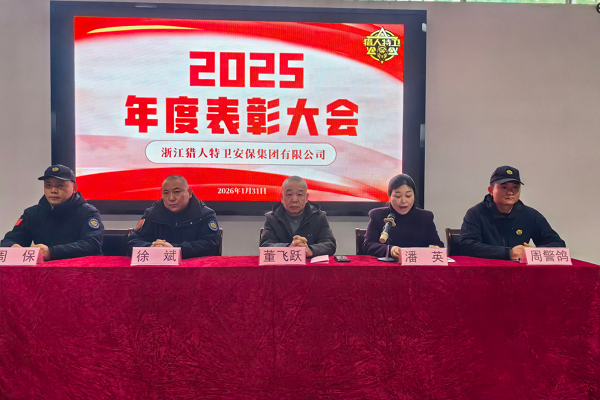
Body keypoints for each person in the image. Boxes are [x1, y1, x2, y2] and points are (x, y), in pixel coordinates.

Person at [460, 165, 565, 260]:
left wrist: (535, 251)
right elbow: (466, 246)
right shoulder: (476, 213)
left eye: (515, 187)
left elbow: (558, 244)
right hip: (486, 270)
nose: (510, 192)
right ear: (490, 190)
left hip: (520, 271)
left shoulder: (530, 215)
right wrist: (508, 253)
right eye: (504, 187)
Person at [1, 164, 104, 260]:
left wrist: (51, 252)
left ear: (74, 188)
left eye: (60, 186)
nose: (53, 190)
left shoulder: (88, 212)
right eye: (48, 185)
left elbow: (92, 245)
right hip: (44, 271)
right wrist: (13, 247)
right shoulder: (32, 213)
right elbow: (8, 241)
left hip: (81, 269)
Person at [127, 175, 220, 259]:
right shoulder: (152, 214)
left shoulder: (205, 215)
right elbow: (133, 241)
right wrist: (152, 248)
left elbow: (211, 245)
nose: (171, 198)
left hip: (194, 269)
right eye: (166, 193)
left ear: (189, 193)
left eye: (177, 192)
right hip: (158, 268)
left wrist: (175, 250)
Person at [363, 174, 443, 259]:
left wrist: (436, 248)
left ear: (414, 196)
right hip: (388, 266)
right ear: (389, 196)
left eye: (408, 196)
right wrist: (390, 250)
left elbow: (438, 244)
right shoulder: (377, 215)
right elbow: (368, 245)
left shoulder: (426, 217)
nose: (403, 201)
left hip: (418, 265)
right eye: (398, 196)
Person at [260, 176, 336, 257]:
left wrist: (310, 250)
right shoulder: (271, 218)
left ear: (306, 198)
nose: (294, 200)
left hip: (309, 264)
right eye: (289, 194)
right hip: (283, 264)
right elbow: (265, 246)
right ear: (282, 198)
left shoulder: (319, 217)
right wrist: (289, 248)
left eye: (299, 194)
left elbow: (329, 244)